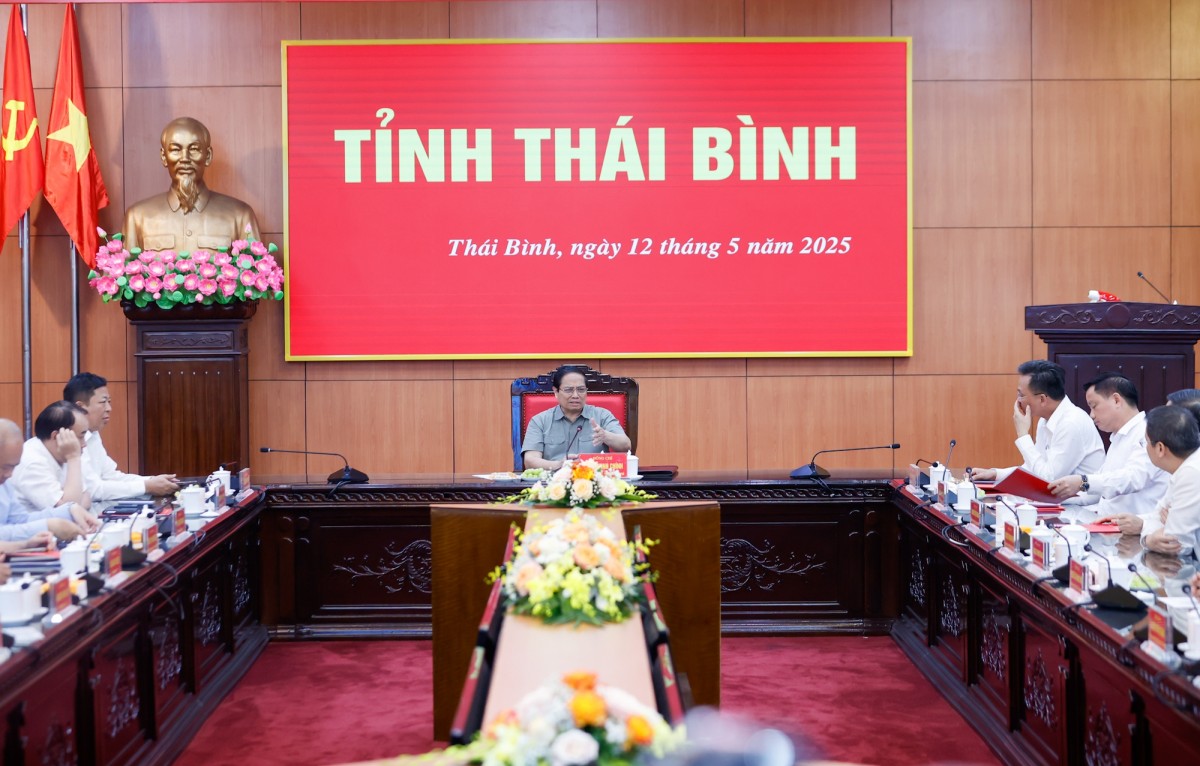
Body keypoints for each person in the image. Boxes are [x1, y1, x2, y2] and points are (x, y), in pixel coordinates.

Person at [1047, 373, 1167, 532]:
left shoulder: (1146, 433)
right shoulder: (1119, 437)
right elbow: (1100, 489)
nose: (1091, 414)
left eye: (1094, 406)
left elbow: (1132, 478)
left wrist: (1083, 482)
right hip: (1110, 528)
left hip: (1138, 532)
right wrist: (1058, 496)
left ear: (1116, 400)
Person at [122, 116, 261, 253]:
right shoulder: (137, 217)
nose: (185, 158)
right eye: (175, 149)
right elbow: (127, 267)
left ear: (208, 156)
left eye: (194, 149)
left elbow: (257, 266)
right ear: (164, 156)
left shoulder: (240, 216)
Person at [969, 360, 1104, 484]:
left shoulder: (1071, 423)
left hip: (1081, 502)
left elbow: (1047, 479)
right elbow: (1034, 468)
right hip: (1057, 500)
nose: (1018, 400)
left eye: (1021, 395)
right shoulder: (1045, 421)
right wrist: (996, 474)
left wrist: (1023, 435)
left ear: (1042, 399)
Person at [65, 372, 179, 503]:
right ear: (80, 407)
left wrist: (152, 480)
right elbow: (94, 490)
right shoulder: (69, 438)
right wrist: (146, 486)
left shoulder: (93, 434)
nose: (109, 408)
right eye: (103, 402)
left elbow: (111, 477)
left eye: (109, 402)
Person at [8, 402, 101, 534]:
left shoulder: (61, 452)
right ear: (57, 436)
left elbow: (86, 497)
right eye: (81, 436)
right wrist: (74, 458)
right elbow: (70, 511)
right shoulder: (32, 462)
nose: (84, 444)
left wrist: (73, 503)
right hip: (31, 537)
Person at [521, 366, 631, 470]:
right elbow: (530, 460)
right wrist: (559, 465)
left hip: (594, 479)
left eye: (581, 389)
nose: (575, 395)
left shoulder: (602, 415)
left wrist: (605, 436)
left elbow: (626, 446)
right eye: (568, 390)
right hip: (555, 480)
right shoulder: (540, 421)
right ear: (556, 392)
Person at [0, 419, 88, 545]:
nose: (10, 474)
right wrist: (49, 525)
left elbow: (20, 520)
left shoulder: (5, 484)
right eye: (5, 467)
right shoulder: (32, 462)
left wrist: (68, 511)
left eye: (14, 467)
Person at [1140, 403, 1200, 556]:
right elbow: (1157, 515)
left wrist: (1147, 540)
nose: (1145, 448)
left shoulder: (1191, 473)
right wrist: (1156, 531)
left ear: (1160, 448)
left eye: (1146, 442)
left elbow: (1175, 544)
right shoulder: (1183, 468)